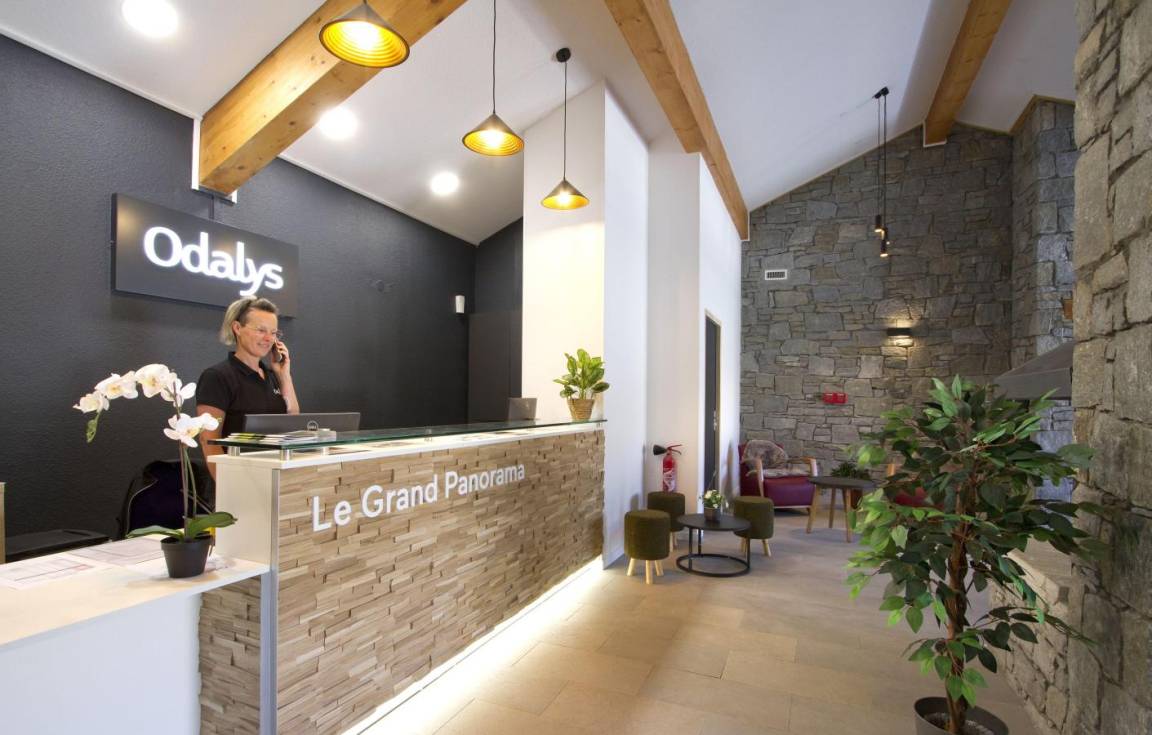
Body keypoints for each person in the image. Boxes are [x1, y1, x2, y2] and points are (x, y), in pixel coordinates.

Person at [196, 297, 300, 479]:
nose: (269, 338)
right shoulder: (217, 376)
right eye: (261, 330)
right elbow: (209, 440)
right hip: (238, 479)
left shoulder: (272, 375)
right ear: (237, 328)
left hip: (275, 476)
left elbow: (292, 422)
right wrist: (227, 485)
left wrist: (284, 375)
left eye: (274, 333)